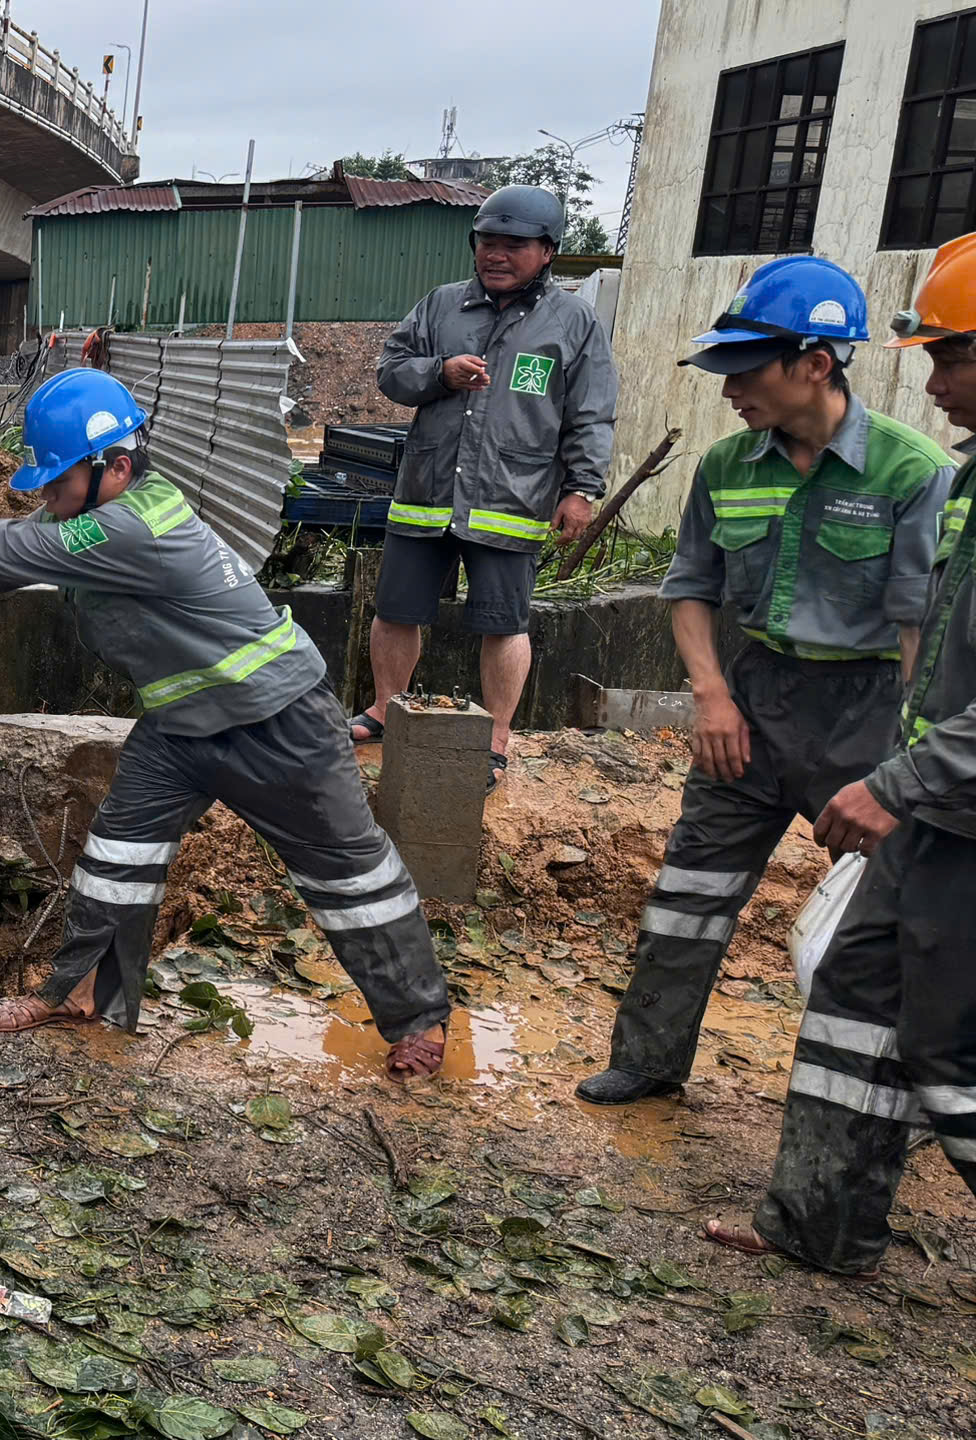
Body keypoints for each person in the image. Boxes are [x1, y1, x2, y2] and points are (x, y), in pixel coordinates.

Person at [0, 368, 458, 1076]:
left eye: (55, 482)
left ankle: (419, 1021)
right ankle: (87, 994)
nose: (45, 499)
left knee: (349, 874)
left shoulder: (137, 524)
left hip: (276, 717)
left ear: (115, 466)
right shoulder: (82, 523)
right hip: (181, 727)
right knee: (118, 862)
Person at [577, 257, 951, 1107]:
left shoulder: (912, 474)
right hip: (749, 700)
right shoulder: (727, 467)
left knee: (890, 923)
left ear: (815, 363)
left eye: (743, 370)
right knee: (689, 892)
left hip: (866, 712)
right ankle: (649, 1057)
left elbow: (917, 634)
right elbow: (690, 590)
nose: (727, 389)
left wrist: (904, 768)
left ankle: (912, 1092)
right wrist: (710, 693)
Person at [703, 232, 976, 1274]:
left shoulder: (915, 477)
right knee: (854, 1006)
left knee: (949, 1059)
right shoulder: (968, 490)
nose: (934, 376)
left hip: (958, 826)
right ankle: (818, 1225)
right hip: (932, 814)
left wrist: (896, 779)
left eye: (952, 354)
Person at [359, 184, 618, 789]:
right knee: (395, 610)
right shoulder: (441, 306)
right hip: (427, 490)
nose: (496, 255)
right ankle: (383, 710)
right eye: (487, 243)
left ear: (548, 251)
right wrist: (438, 373)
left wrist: (580, 489)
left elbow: (591, 412)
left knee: (505, 622)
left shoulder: (573, 321)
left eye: (514, 246)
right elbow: (391, 372)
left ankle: (496, 738)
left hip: (511, 497)